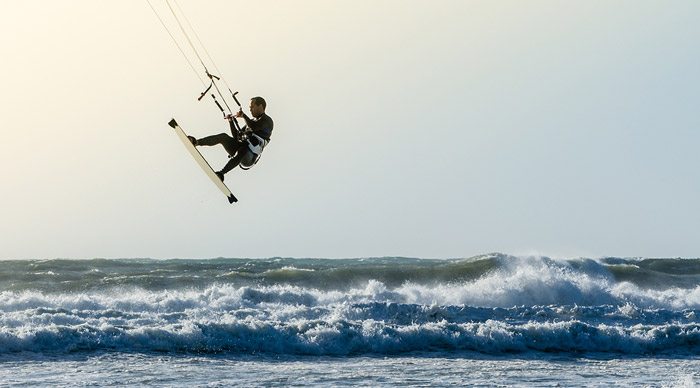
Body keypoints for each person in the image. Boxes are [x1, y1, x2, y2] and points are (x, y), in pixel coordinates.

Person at [189, 96, 273, 181]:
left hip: (249, 157)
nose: (250, 110)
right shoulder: (250, 122)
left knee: (243, 149)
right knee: (223, 137)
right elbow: (237, 137)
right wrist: (231, 121)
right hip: (240, 150)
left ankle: (221, 174)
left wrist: (243, 115)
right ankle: (196, 142)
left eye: (252, 107)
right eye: (250, 108)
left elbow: (254, 127)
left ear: (260, 106)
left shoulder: (267, 121)